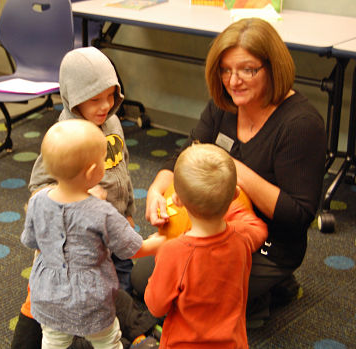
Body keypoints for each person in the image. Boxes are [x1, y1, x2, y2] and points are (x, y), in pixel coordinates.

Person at [133, 17, 327, 325]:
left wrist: (234, 169)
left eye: (248, 69)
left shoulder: (301, 125)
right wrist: (157, 190)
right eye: (225, 70)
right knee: (144, 278)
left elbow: (298, 215)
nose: (233, 80)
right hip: (210, 225)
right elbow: (187, 153)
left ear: (273, 67)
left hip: (268, 243)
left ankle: (270, 291)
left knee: (191, 295)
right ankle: (248, 297)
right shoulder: (224, 104)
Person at [12, 47, 159, 349]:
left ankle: (132, 331)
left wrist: (127, 211)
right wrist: (77, 198)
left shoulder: (112, 122)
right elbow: (39, 186)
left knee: (117, 287)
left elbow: (121, 170)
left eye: (111, 95)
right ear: (74, 97)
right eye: (95, 99)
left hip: (114, 226)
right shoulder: (64, 136)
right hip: (80, 238)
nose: (106, 105)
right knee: (80, 296)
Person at [21, 119, 165, 349]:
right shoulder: (102, 212)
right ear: (92, 171)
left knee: (53, 342)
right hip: (90, 299)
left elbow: (31, 240)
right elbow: (133, 249)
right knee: (108, 341)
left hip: (47, 294)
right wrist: (162, 242)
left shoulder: (37, 201)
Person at [144, 143, 268, 348]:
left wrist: (159, 258)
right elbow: (259, 228)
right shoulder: (242, 237)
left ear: (177, 200)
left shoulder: (172, 252)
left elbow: (155, 306)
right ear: (236, 194)